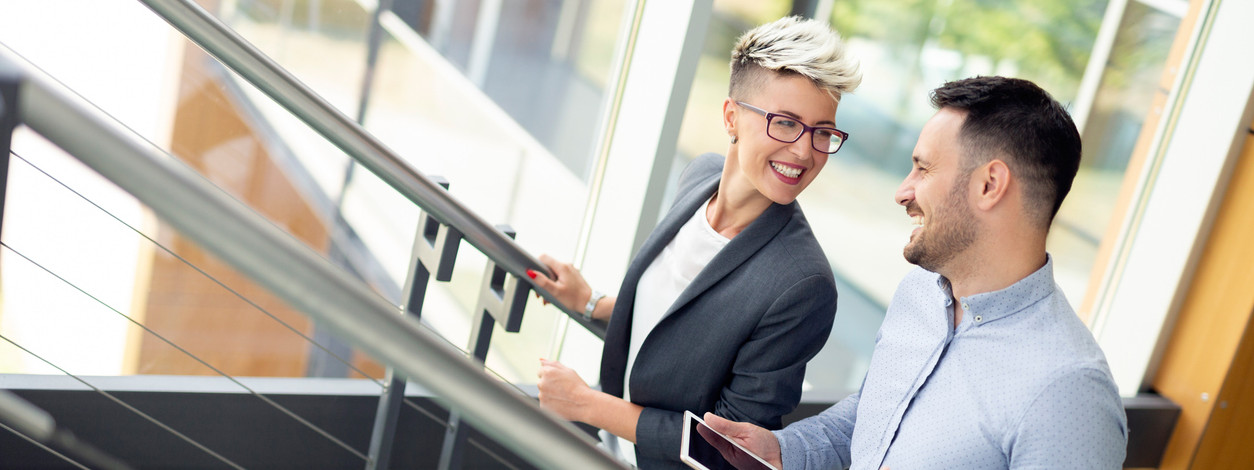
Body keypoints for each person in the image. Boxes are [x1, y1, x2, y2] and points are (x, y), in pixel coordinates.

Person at [704, 76, 1129, 469]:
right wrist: (782, 450)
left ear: (989, 185)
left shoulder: (1069, 393)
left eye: (923, 169)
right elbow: (878, 423)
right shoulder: (920, 293)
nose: (902, 191)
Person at [527, 16, 861, 469]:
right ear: (732, 117)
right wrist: (591, 302)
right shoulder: (699, 177)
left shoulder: (803, 284)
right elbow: (685, 323)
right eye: (786, 123)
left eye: (823, 131)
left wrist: (586, 404)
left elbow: (730, 450)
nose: (805, 152)